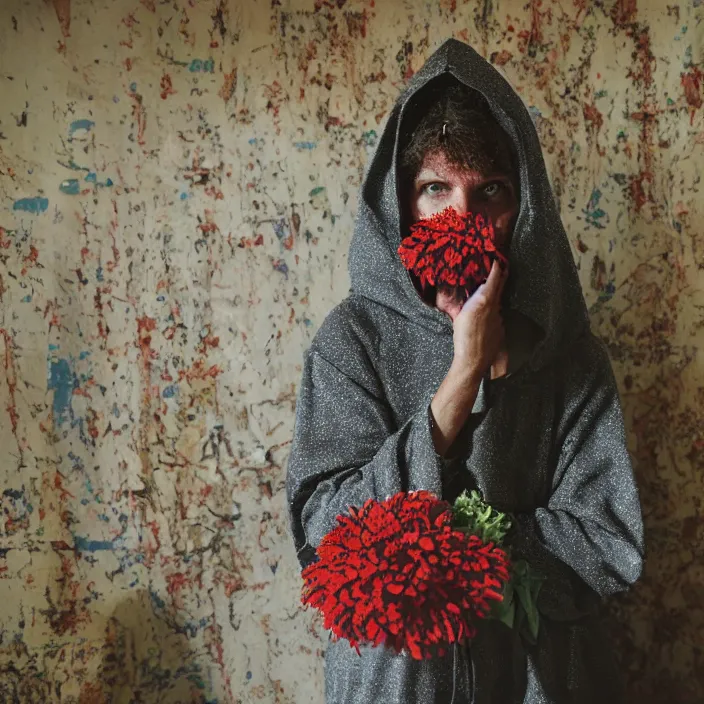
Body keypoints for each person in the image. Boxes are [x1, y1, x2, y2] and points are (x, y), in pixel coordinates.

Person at [286, 38, 644, 704]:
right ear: (400, 204)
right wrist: (464, 372)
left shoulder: (568, 356)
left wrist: (455, 560)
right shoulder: (351, 343)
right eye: (435, 188)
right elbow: (327, 540)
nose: (463, 220)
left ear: (524, 208)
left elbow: (609, 542)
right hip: (396, 681)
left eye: (491, 193)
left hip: (542, 680)